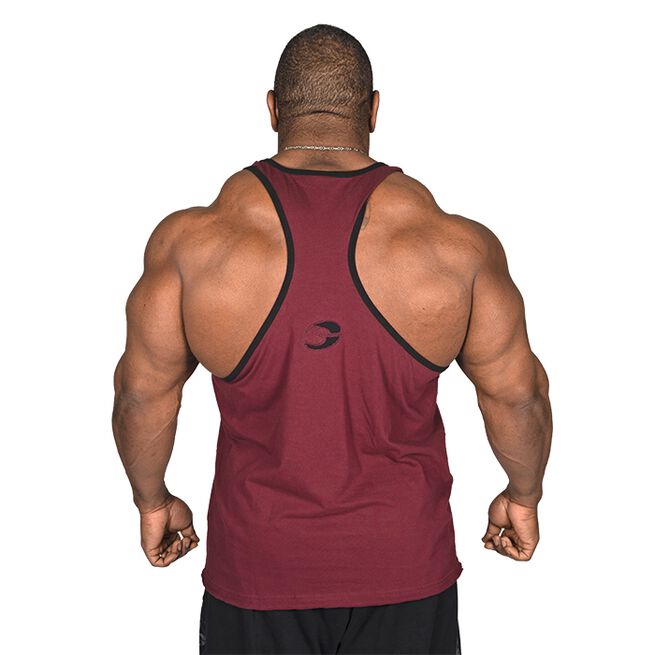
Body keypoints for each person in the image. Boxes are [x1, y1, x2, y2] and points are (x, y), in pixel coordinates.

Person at [112, 23, 552, 655]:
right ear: (373, 111)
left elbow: (141, 396)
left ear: (272, 110)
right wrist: (523, 495)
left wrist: (152, 501)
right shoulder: (455, 248)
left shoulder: (192, 245)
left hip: (257, 569)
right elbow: (519, 397)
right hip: (405, 567)